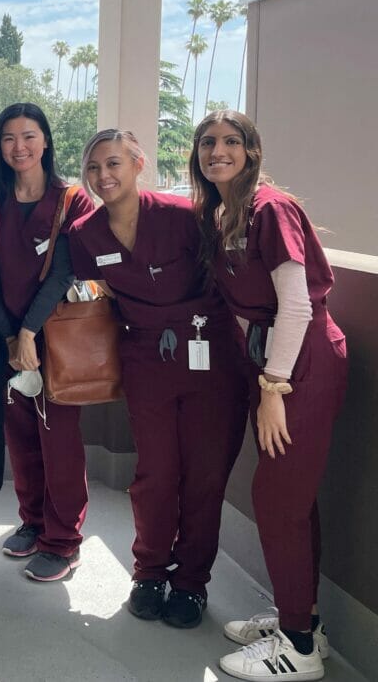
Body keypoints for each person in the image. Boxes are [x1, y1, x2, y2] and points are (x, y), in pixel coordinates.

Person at [68, 129, 248, 628]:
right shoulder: (85, 233)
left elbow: (231, 273)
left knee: (206, 473)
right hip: (146, 358)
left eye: (113, 164)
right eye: (93, 168)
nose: (103, 176)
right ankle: (149, 572)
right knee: (156, 473)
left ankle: (191, 583)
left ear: (138, 163)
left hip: (209, 356)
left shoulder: (184, 216)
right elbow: (94, 291)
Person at [190, 111, 346, 682]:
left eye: (232, 142)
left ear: (252, 152)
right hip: (273, 362)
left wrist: (276, 387)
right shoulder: (222, 212)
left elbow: (298, 304)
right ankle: (301, 620)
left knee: (276, 499)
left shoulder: (270, 208)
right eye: (208, 143)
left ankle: (298, 649)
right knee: (292, 498)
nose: (218, 151)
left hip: (300, 361)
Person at [0, 103, 95, 583]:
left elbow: (65, 272)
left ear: (46, 140)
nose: (19, 147)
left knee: (60, 442)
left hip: (55, 337)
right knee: (21, 435)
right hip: (4, 336)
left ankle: (63, 540)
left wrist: (29, 331)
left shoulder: (71, 200)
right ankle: (32, 520)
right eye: (9, 138)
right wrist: (10, 335)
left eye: (28, 136)